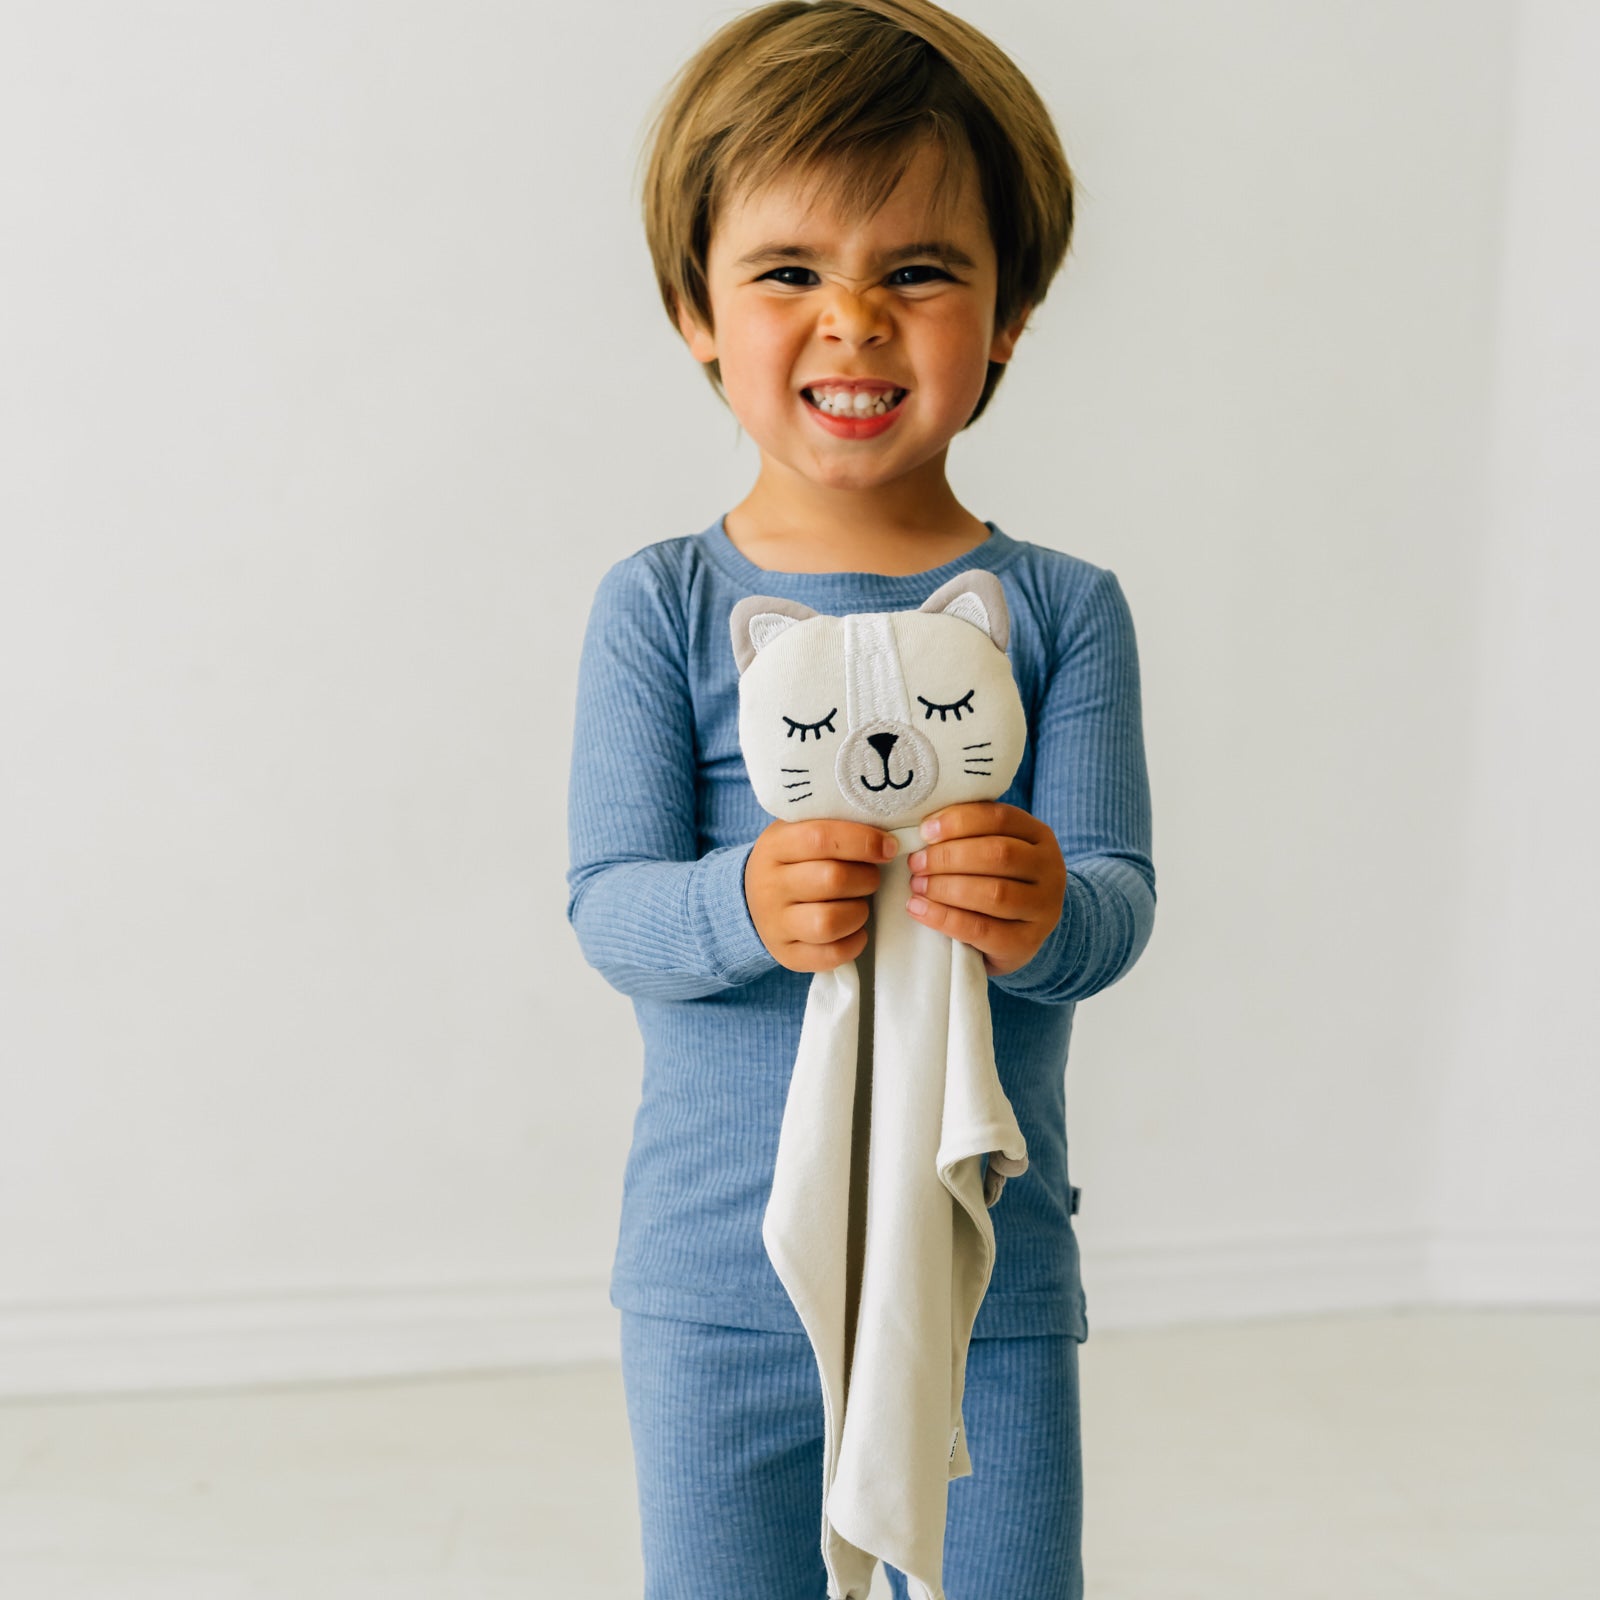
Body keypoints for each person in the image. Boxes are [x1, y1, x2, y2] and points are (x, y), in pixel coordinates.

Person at [563, 3, 1156, 1595]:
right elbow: (610, 905)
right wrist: (739, 902)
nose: (853, 322)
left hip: (984, 1269)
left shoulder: (1062, 610)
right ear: (695, 306)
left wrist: (1046, 906)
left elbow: (1115, 906)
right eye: (786, 272)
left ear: (1010, 312)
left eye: (919, 269)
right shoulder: (665, 605)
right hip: (715, 1277)